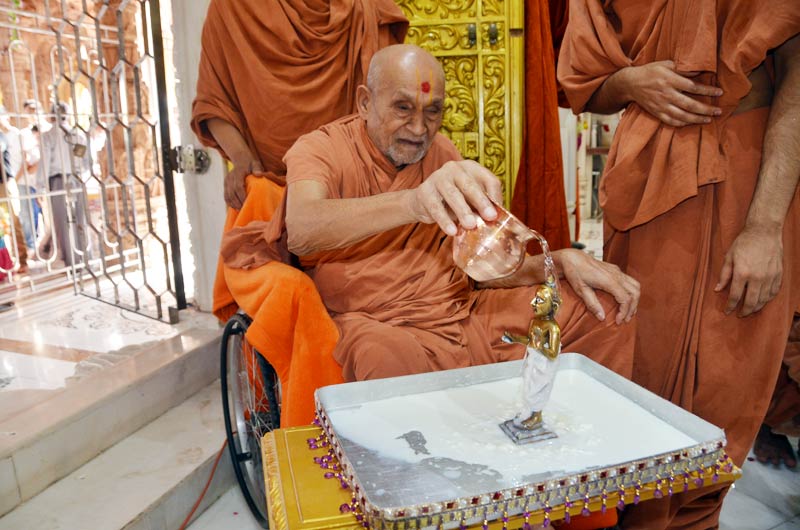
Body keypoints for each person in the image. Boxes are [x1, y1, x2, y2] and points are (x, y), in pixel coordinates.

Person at [557, 2, 800, 529]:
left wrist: (764, 226)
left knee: (727, 388)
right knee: (639, 376)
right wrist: (630, 82)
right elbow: (584, 82)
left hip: (752, 177)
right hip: (647, 179)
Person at [282, 44, 639, 385]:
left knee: (604, 308)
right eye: (403, 108)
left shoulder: (441, 153)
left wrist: (557, 263)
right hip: (379, 322)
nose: (419, 129)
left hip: (462, 311)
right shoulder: (320, 150)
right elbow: (301, 229)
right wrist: (413, 203)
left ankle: (560, 422)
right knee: (384, 358)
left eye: (432, 111)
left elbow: (479, 269)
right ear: (365, 102)